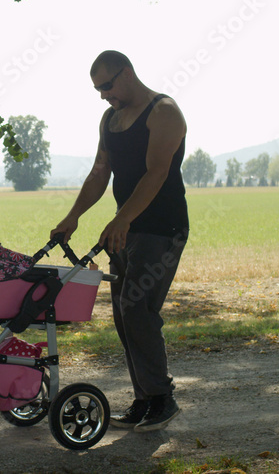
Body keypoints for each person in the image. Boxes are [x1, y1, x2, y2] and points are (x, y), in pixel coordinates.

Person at [51, 50, 189, 433]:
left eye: (107, 86)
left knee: (136, 308)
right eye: (97, 89)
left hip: (162, 228)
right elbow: (99, 172)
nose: (102, 95)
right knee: (123, 316)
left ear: (126, 73)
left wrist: (122, 218)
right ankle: (145, 399)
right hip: (125, 231)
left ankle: (163, 399)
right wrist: (73, 215)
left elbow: (157, 172)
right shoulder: (110, 119)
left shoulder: (164, 112)